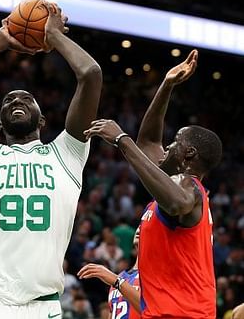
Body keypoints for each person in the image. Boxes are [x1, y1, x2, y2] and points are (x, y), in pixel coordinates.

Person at [0, 2, 102, 318]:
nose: (17, 101)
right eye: (8, 100)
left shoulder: (67, 153)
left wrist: (53, 35)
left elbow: (91, 74)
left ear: (42, 120)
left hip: (45, 303)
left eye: (27, 99)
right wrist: (2, 38)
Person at [84, 49, 221, 318]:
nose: (167, 146)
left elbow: (176, 202)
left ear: (189, 154)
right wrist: (166, 85)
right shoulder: (177, 183)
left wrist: (122, 139)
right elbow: (147, 142)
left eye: (175, 143)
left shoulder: (188, 187)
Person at [78, 228, 141, 319]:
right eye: (139, 225)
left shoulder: (156, 277)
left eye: (145, 228)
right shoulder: (120, 277)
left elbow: (150, 310)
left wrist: (117, 281)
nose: (139, 229)